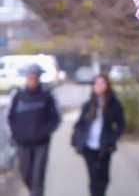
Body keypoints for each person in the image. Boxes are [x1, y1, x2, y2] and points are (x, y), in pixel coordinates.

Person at [8, 63, 61, 196]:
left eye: (35, 78)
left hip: (41, 143)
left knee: (38, 176)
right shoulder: (17, 96)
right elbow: (10, 117)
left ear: (39, 79)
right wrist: (15, 133)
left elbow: (56, 117)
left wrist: (46, 131)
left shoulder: (47, 96)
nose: (32, 80)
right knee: (25, 173)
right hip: (22, 142)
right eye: (30, 77)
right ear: (26, 78)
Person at [71, 74, 125, 196]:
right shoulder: (88, 105)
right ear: (93, 86)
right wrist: (76, 139)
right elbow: (79, 124)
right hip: (88, 147)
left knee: (104, 177)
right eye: (97, 83)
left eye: (102, 83)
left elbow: (121, 125)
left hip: (105, 147)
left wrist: (112, 139)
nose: (99, 86)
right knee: (93, 177)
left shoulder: (114, 104)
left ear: (107, 86)